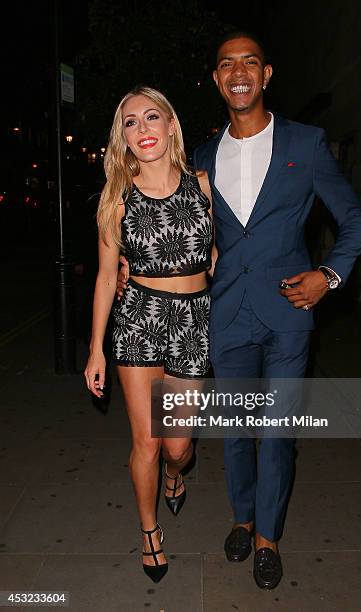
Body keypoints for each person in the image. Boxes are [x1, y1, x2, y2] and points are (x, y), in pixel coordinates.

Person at [118, 31, 361, 590]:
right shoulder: (201, 159)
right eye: (227, 64)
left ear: (266, 74)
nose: (238, 71)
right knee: (234, 429)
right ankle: (242, 517)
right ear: (216, 79)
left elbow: (355, 218)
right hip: (224, 313)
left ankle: (267, 539)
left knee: (277, 431)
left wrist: (330, 275)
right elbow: (175, 228)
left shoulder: (306, 143)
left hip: (287, 313)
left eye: (249, 62)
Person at [84, 85, 215, 583]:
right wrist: (96, 348)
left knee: (178, 447)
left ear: (170, 126)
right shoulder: (116, 197)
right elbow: (103, 276)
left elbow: (216, 254)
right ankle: (149, 531)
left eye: (151, 117)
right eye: (130, 122)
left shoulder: (202, 185)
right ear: (122, 137)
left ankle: (174, 476)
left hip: (192, 323)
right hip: (139, 317)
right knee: (147, 440)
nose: (142, 129)